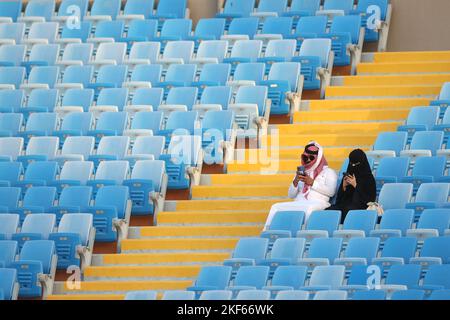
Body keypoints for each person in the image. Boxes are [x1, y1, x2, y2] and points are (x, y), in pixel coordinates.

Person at [264, 141, 338, 230]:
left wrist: (312, 183)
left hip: (318, 202)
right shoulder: (301, 172)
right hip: (299, 202)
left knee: (308, 209)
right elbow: (291, 195)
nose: (308, 160)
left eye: (311, 158)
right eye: (305, 157)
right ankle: (267, 233)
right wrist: (295, 182)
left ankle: (302, 234)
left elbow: (331, 192)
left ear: (318, 158)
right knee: (275, 207)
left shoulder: (329, 172)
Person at [327, 149, 376, 223]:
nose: (353, 166)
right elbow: (339, 200)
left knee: (348, 211)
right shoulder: (349, 174)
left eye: (355, 164)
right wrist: (343, 187)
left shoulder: (368, 178)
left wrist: (355, 185)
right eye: (351, 163)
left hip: (361, 206)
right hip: (345, 205)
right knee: (328, 210)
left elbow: (369, 200)